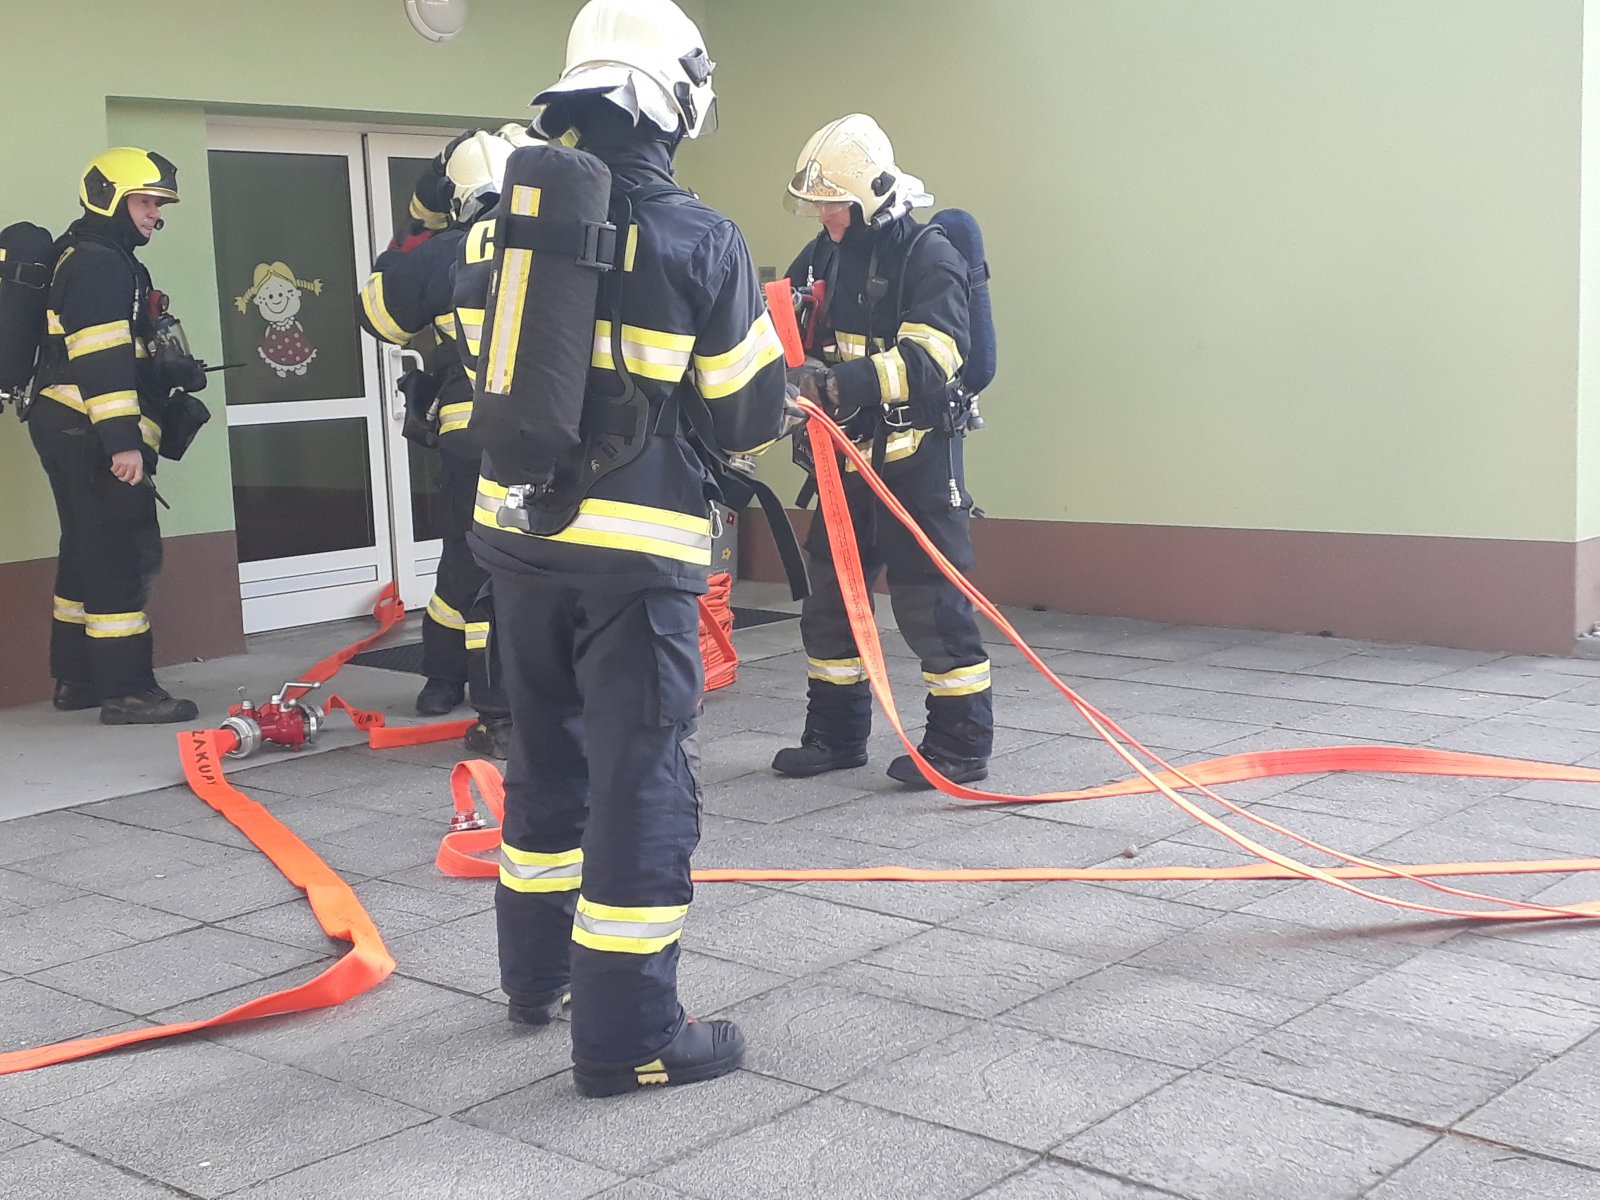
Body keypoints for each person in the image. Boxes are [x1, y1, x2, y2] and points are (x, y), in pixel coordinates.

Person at [469, 0, 787, 1096]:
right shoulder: (702, 237)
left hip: (516, 539)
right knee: (641, 779)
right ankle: (628, 1036)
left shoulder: (499, 226)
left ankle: (534, 980)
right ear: (675, 101)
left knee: (543, 759)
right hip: (636, 560)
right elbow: (746, 414)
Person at [771, 114, 994, 788]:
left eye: (833, 205)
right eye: (817, 206)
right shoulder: (824, 255)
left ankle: (958, 745)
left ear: (870, 196)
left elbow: (934, 357)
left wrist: (839, 384)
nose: (824, 217)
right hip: (842, 463)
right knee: (831, 604)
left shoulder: (929, 256)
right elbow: (787, 328)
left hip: (916, 462)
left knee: (931, 607)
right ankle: (834, 737)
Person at [28, 148, 204, 724]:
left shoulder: (84, 254)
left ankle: (77, 678)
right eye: (146, 202)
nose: (156, 214)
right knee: (121, 553)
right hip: (90, 428)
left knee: (86, 547)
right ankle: (127, 691)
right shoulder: (102, 264)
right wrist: (122, 443)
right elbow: (100, 359)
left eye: (158, 204)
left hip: (67, 423)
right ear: (110, 199)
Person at [358, 130, 518, 756]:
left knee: (465, 555)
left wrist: (412, 233)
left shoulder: (445, 252)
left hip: (466, 435)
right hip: (546, 436)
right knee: (520, 564)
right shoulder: (552, 248)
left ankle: (444, 678)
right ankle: (499, 691)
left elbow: (378, 316)